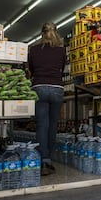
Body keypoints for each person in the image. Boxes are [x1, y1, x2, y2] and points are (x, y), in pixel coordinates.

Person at [28, 22, 66, 176]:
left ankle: (43, 160)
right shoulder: (61, 50)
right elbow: (62, 69)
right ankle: (49, 158)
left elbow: (31, 69)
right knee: (52, 125)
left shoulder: (34, 49)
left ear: (41, 34)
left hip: (39, 87)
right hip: (57, 88)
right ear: (55, 33)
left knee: (42, 125)